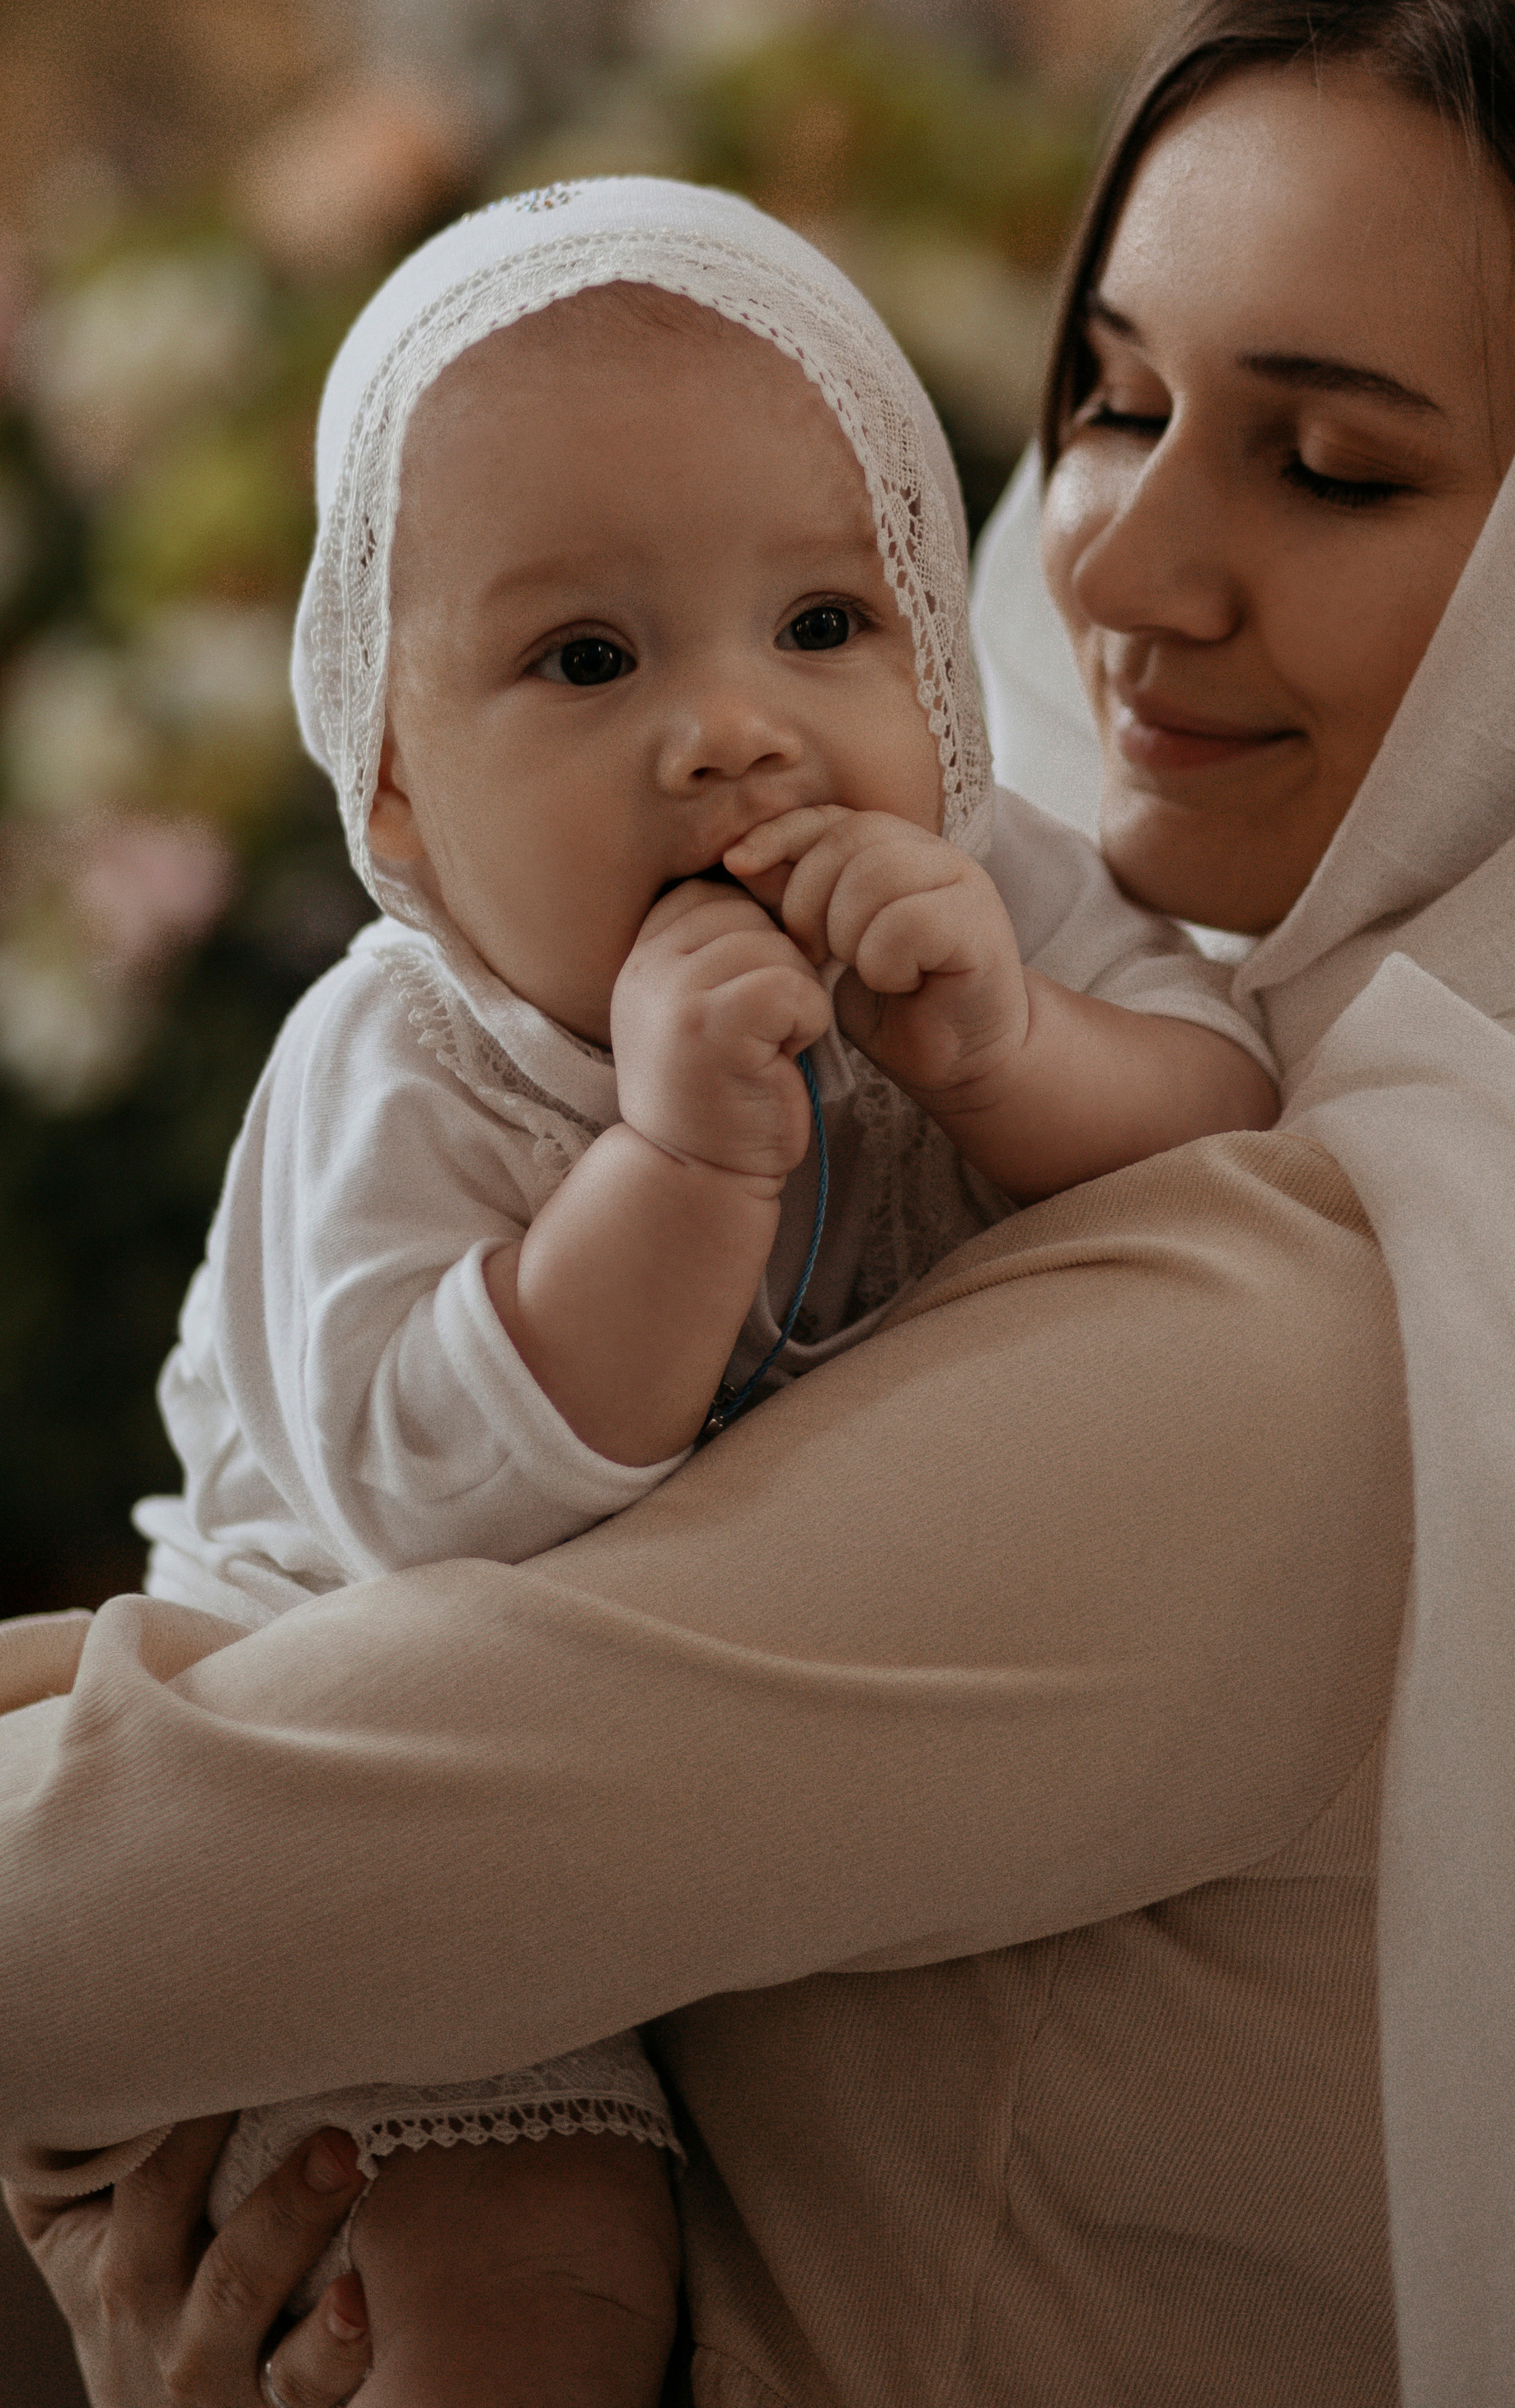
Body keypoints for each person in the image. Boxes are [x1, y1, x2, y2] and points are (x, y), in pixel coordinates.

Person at [0, 0, 1515, 2408]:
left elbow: (151, 1904)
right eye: (1113, 400)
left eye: (1330, 465)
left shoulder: (1343, 1312)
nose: (1114, 567)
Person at [134, 180, 1276, 2401]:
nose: (735, 733)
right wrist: (669, 1175)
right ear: (390, 776)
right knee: (521, 2309)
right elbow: (426, 1512)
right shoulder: (412, 1056)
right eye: (587, 660)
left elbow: (1228, 1131)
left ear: (943, 675)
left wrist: (1014, 1060)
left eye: (828, 627)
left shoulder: (997, 896)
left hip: (757, 1805)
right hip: (381, 1776)